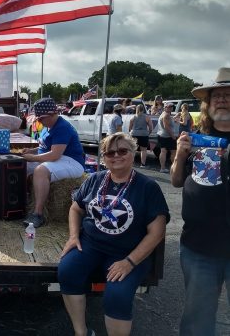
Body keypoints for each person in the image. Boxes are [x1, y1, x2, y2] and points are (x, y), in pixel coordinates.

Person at [58, 132, 169, 336]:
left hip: (128, 251)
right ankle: (81, 332)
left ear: (133, 152)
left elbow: (157, 231)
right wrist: (74, 236)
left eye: (122, 150)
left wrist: (130, 261)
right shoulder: (95, 180)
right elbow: (76, 208)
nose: (116, 155)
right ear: (103, 157)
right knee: (67, 271)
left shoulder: (148, 187)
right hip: (91, 245)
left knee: (117, 296)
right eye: (110, 152)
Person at [171, 67, 230, 336]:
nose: (222, 99)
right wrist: (180, 156)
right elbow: (176, 181)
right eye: (217, 95)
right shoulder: (193, 136)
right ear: (208, 103)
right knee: (198, 319)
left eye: (229, 95)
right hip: (199, 244)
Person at [22, 98, 85, 228]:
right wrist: (32, 151)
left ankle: (38, 214)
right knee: (20, 167)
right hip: (60, 158)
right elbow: (45, 148)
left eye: (41, 118)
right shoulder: (48, 126)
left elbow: (54, 155)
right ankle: (22, 203)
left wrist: (32, 158)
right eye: (38, 118)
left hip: (72, 161)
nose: (39, 121)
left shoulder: (62, 127)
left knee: (40, 170)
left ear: (53, 114)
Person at [157, 102, 177, 173]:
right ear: (165, 107)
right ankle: (174, 167)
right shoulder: (166, 115)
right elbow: (166, 127)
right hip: (167, 136)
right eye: (168, 107)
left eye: (171, 107)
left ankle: (162, 168)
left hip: (161, 135)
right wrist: (173, 136)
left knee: (163, 151)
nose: (170, 108)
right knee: (173, 152)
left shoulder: (164, 114)